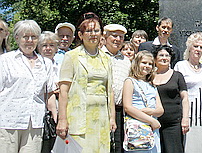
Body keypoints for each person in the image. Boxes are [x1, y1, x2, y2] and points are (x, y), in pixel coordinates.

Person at [56, 12, 116, 152]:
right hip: (79, 116)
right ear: (80, 35)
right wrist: (62, 119)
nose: (93, 34)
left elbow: (110, 90)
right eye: (88, 31)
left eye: (96, 30)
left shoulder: (107, 59)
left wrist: (112, 117)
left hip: (101, 117)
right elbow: (64, 90)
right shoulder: (72, 56)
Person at [0, 20, 56, 152]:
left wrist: (57, 117)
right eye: (26, 37)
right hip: (8, 122)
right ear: (17, 38)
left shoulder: (46, 63)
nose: (30, 40)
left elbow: (49, 93)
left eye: (34, 37)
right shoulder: (5, 60)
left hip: (35, 123)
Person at [174, 33, 202, 152]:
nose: (198, 50)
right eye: (195, 46)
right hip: (188, 115)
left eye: (201, 47)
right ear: (189, 47)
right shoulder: (180, 66)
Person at [122, 50, 164, 153]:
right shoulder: (130, 81)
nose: (147, 66)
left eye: (150, 64)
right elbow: (128, 107)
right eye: (144, 62)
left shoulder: (151, 85)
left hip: (152, 129)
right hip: (137, 128)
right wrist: (151, 120)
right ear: (137, 63)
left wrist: (151, 112)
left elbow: (160, 109)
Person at [152, 45, 189, 153]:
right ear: (155, 58)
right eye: (161, 55)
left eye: (167, 55)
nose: (164, 58)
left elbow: (185, 98)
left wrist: (185, 118)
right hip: (152, 122)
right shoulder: (149, 76)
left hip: (173, 123)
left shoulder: (177, 76)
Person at [102, 24, 131, 153]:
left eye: (121, 37)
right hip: (100, 109)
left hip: (119, 111)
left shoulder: (126, 60)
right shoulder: (97, 56)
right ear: (105, 37)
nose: (118, 39)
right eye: (114, 36)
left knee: (118, 146)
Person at [37, 31, 60, 153]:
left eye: (51, 45)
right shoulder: (37, 65)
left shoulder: (59, 65)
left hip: (59, 106)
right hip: (44, 111)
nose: (48, 48)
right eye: (44, 45)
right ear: (38, 47)